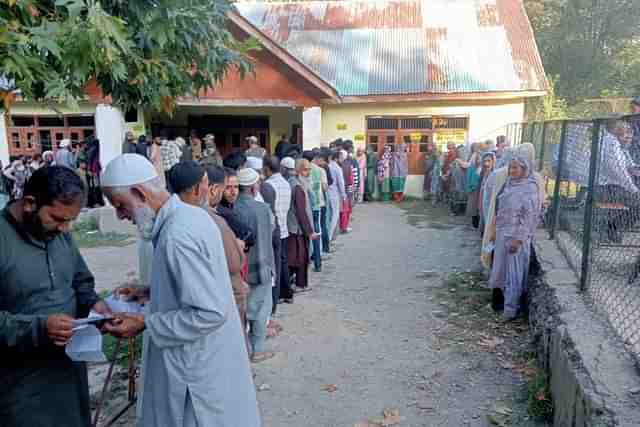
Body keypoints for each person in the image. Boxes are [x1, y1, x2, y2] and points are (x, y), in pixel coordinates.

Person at [100, 154, 260, 426]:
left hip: (197, 372)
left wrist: (143, 322)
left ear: (139, 192)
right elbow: (201, 285)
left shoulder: (178, 234)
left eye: (120, 205)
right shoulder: (188, 218)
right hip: (205, 362)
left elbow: (209, 312)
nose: (121, 215)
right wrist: (151, 291)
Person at [0, 166, 111, 427]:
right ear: (29, 203)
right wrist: (39, 328)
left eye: (70, 221)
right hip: (19, 387)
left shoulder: (59, 235)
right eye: (58, 219)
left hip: (69, 375)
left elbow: (80, 281)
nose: (65, 229)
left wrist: (96, 305)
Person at [489, 152, 541, 321]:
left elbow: (529, 217)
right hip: (503, 233)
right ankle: (504, 305)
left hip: (515, 237)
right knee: (502, 272)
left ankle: (511, 310)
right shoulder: (510, 184)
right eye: (510, 167)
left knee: (514, 274)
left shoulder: (530, 188)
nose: (512, 171)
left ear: (525, 169)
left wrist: (518, 239)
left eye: (515, 168)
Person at [233, 167, 276, 363]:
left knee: (241, 311)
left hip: (238, 269)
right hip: (261, 266)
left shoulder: (231, 209)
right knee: (260, 311)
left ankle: (241, 349)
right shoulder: (262, 209)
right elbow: (273, 229)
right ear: (252, 188)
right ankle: (256, 350)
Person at [262, 155, 293, 306]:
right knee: (282, 261)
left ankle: (275, 297)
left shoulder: (267, 185)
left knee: (275, 265)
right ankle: (286, 292)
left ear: (266, 169)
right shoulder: (286, 183)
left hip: (273, 229)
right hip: (283, 227)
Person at [285, 158, 319, 291]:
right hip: (297, 228)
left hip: (295, 226)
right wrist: (309, 231)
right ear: (298, 170)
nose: (308, 172)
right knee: (299, 258)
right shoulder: (297, 186)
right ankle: (298, 285)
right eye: (305, 170)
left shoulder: (295, 182)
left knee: (296, 257)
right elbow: (301, 211)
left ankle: (295, 284)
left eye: (309, 169)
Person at [303, 150, 324, 272]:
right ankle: (318, 262)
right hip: (316, 205)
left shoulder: (303, 169)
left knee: (306, 234)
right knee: (316, 233)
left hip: (308, 206)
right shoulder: (318, 169)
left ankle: (307, 262)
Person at [328, 150, 346, 240]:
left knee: (328, 215)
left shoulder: (328, 166)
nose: (342, 160)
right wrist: (343, 195)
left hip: (327, 193)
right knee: (334, 215)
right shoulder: (337, 168)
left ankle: (329, 236)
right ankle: (329, 237)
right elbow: (341, 183)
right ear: (336, 158)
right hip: (335, 194)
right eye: (341, 158)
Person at [478, 151, 496, 233]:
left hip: (490, 201)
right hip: (483, 198)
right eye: (485, 161)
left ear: (493, 161)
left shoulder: (495, 174)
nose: (486, 163)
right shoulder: (483, 172)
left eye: (489, 161)